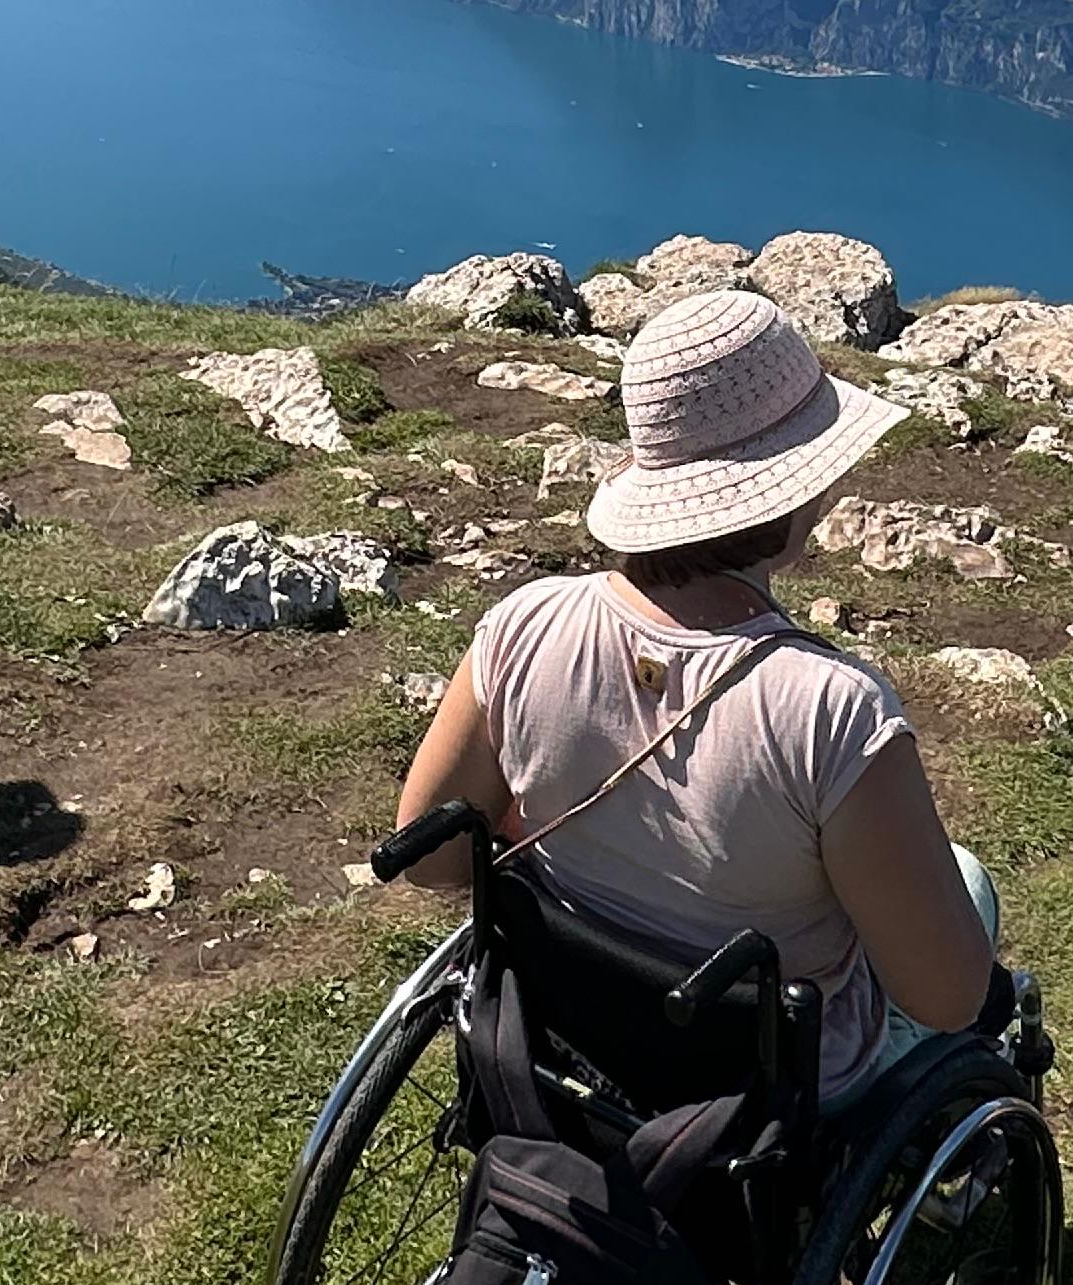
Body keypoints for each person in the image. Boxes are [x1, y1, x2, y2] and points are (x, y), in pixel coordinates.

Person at [393, 288, 1005, 1096]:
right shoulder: (831, 710)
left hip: (568, 1027)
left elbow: (430, 861)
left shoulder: (522, 625)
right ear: (794, 487)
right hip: (762, 1085)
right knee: (964, 883)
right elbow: (947, 996)